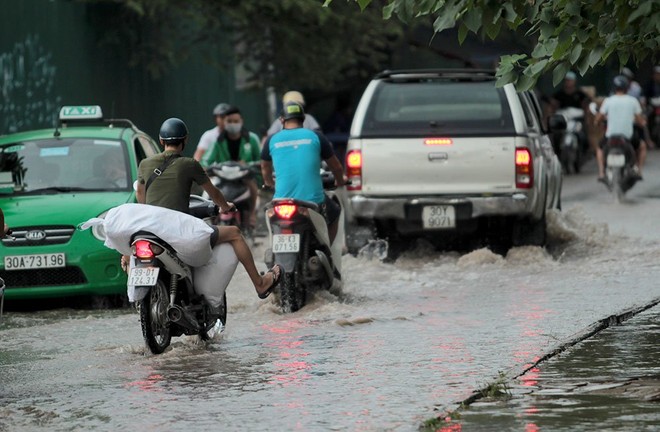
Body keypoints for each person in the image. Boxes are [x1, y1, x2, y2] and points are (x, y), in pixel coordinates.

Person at [133, 117, 281, 299]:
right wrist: (225, 207)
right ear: (185, 140)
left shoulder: (145, 164)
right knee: (235, 232)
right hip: (179, 232)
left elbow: (141, 195)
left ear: (161, 141)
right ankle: (260, 284)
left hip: (151, 230)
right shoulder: (190, 164)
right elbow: (214, 193)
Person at [261, 102, 345, 243]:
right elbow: (336, 167)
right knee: (335, 213)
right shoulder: (316, 137)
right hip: (313, 201)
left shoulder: (271, 140)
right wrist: (340, 181)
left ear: (282, 120)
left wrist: (269, 183)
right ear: (303, 119)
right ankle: (327, 251)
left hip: (280, 201)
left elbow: (265, 168)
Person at [201, 105, 261, 227]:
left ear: (241, 121)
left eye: (236, 121)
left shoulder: (252, 139)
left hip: (243, 178)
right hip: (223, 178)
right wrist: (207, 167)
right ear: (224, 122)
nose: (233, 124)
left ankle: (252, 215)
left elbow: (260, 161)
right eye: (229, 121)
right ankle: (207, 221)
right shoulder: (218, 141)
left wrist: (248, 165)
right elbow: (205, 160)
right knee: (207, 191)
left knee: (252, 185)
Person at [594, 75, 647, 183]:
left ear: (614, 88)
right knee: (642, 146)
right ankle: (639, 171)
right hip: (628, 137)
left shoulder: (608, 100)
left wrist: (596, 122)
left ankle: (601, 173)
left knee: (599, 148)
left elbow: (599, 118)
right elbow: (640, 121)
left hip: (610, 136)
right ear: (627, 88)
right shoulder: (633, 101)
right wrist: (642, 123)